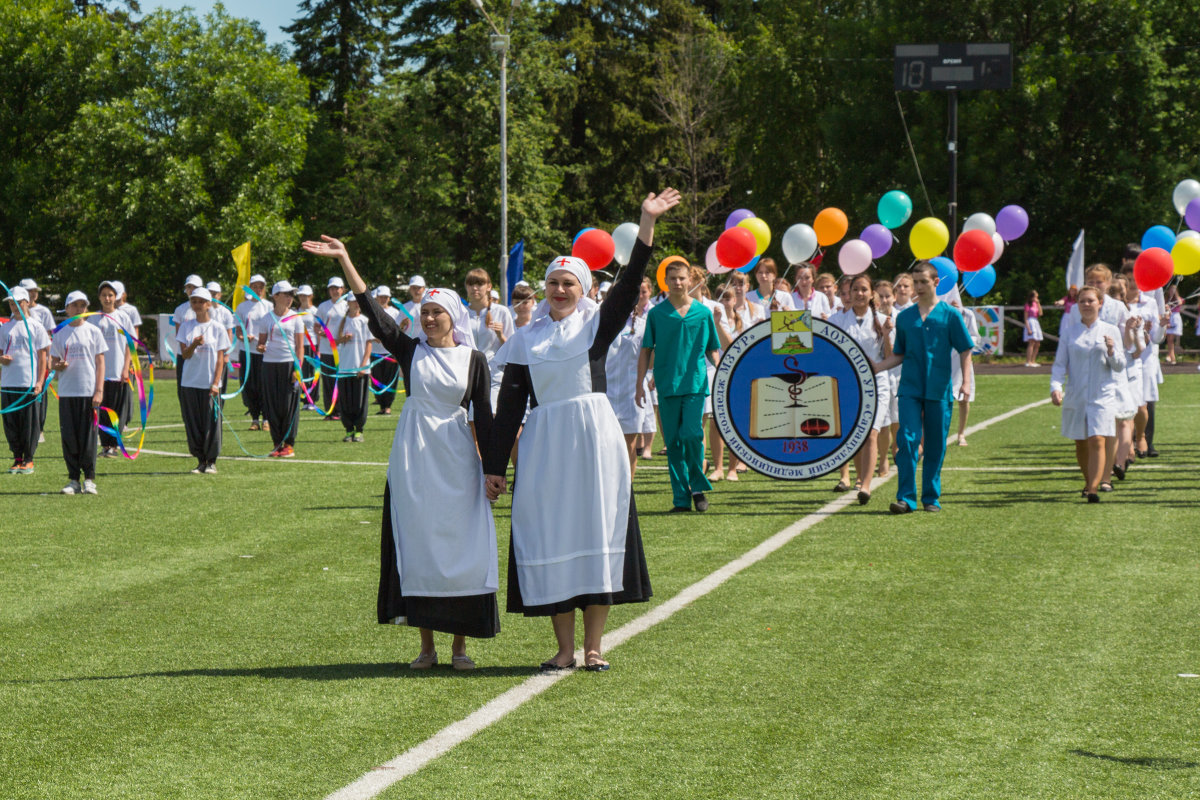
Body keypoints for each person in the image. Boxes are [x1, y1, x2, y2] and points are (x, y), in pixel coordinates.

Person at [485, 187, 679, 672]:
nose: (559, 290)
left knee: (598, 530)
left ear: (585, 288)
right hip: (546, 442)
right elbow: (509, 410)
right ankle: (564, 648)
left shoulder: (597, 324)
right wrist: (493, 468)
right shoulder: (524, 340)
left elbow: (632, 279)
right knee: (552, 535)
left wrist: (646, 222)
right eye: (552, 283)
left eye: (568, 283)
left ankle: (594, 646)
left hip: (594, 438)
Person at [302, 236, 498, 670]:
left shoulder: (474, 358)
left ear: (453, 317)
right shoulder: (411, 351)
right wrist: (345, 258)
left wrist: (494, 470)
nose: (428, 318)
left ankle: (459, 647)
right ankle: (427, 646)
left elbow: (483, 416)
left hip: (458, 458)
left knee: (461, 546)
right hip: (414, 461)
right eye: (424, 312)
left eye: (436, 312)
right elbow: (372, 311)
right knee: (420, 545)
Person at [873, 262, 974, 514]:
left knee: (936, 444)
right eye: (915, 282)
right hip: (910, 389)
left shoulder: (951, 315)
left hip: (940, 390)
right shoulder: (905, 317)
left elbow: (965, 349)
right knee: (906, 440)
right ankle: (906, 498)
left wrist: (966, 381)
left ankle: (931, 496)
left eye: (923, 282)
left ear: (936, 282)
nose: (918, 287)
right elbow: (899, 354)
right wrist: (877, 367)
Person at [637, 257, 721, 513]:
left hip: (695, 383)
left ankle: (697, 486)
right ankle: (681, 499)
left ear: (690, 280)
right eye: (672, 278)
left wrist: (724, 375)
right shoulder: (657, 314)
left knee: (693, 435)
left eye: (682, 278)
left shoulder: (703, 313)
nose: (677, 282)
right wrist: (639, 383)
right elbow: (646, 350)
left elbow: (713, 350)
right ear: (666, 282)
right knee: (672, 442)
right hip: (666, 384)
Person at [1050, 286, 1126, 502]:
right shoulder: (1070, 332)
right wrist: (1056, 387)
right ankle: (1088, 481)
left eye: (1091, 301)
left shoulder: (1111, 331)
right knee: (1081, 442)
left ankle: (1093, 488)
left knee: (1098, 439)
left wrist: (1111, 351)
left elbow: (1120, 366)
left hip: (1102, 394)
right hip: (1076, 394)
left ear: (1100, 303)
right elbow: (1059, 364)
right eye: (1082, 301)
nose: (1086, 305)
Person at [830, 275, 893, 504]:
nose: (859, 293)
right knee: (856, 435)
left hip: (877, 382)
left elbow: (890, 356)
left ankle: (866, 485)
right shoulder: (836, 319)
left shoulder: (885, 319)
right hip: (848, 384)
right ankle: (859, 478)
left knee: (871, 432)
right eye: (854, 289)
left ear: (871, 293)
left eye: (863, 289)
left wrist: (887, 335)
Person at [49, 291, 109, 495]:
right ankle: (73, 479)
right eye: (74, 305)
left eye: (82, 306)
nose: (79, 309)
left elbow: (101, 363)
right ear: (66, 309)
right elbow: (53, 362)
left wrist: (99, 391)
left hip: (88, 392)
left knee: (89, 437)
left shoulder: (93, 331)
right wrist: (59, 365)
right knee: (70, 436)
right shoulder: (60, 334)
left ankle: (89, 479)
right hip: (67, 393)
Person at [710, 271, 761, 482]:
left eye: (728, 297)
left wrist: (718, 323)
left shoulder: (745, 321)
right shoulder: (713, 318)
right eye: (720, 296)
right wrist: (715, 322)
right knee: (715, 420)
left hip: (739, 373)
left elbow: (731, 346)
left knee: (735, 419)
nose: (725, 300)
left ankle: (733, 467)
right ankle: (718, 467)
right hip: (716, 372)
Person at [605, 276, 655, 477]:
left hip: (631, 392)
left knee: (629, 444)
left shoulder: (643, 325)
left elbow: (650, 360)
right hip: (603, 392)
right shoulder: (599, 323)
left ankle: (627, 496)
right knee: (604, 444)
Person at [176, 288, 230, 473]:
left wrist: (216, 383)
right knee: (193, 422)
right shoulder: (186, 326)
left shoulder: (218, 328)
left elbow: (221, 358)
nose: (197, 305)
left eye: (201, 301)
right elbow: (185, 355)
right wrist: (194, 344)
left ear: (208, 304)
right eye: (194, 301)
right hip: (190, 382)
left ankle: (211, 461)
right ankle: (200, 460)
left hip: (209, 384)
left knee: (211, 423)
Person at [1, 286, 49, 474]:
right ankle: (17, 458)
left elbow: (43, 356)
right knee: (11, 423)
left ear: (26, 302)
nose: (14, 307)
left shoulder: (36, 326)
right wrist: (1, 359)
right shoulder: (5, 328)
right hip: (8, 383)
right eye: (12, 303)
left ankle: (29, 459)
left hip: (28, 383)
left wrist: (39, 382)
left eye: (18, 303)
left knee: (29, 423)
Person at [255, 281, 304, 457]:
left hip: (289, 363)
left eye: (291, 294)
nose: (290, 298)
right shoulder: (266, 319)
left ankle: (289, 444)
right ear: (275, 296)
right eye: (286, 294)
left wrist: (297, 369)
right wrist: (260, 347)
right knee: (272, 404)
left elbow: (300, 347)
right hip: (269, 365)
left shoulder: (296, 318)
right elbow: (261, 343)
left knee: (289, 405)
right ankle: (277, 443)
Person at [465, 268, 515, 425]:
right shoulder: (462, 314)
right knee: (471, 421)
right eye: (471, 284)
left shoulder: (501, 312)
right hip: (468, 373)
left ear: (489, 286)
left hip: (494, 373)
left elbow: (512, 348)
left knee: (492, 416)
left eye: (479, 283)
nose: (475, 288)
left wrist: (501, 335)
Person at [91, 281, 132, 458]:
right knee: (102, 409)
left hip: (117, 371)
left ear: (116, 297)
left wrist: (126, 368)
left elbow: (130, 345)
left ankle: (114, 445)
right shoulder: (93, 318)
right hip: (98, 373)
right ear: (99, 298)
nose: (107, 298)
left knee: (116, 410)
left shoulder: (123, 317)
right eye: (104, 295)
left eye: (110, 295)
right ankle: (105, 444)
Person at [335, 294, 375, 441]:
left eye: (358, 302)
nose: (356, 304)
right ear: (348, 303)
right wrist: (343, 339)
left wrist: (363, 365)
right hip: (345, 367)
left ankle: (359, 430)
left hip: (360, 368)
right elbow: (336, 341)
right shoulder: (343, 321)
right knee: (346, 401)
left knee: (359, 401)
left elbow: (369, 343)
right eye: (353, 301)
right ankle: (348, 429)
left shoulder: (365, 321)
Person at [20, 279, 56, 442]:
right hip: (24, 359)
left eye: (35, 290)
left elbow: (50, 335)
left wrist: (50, 358)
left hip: (41, 356)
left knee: (41, 391)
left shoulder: (43, 311)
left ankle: (39, 428)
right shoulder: (18, 312)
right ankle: (25, 426)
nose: (33, 293)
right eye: (29, 290)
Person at [235, 274, 270, 430]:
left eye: (260, 287)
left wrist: (265, 344)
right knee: (250, 386)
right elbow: (238, 331)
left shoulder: (269, 306)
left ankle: (267, 419)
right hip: (247, 352)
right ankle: (255, 419)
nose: (258, 289)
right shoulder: (242, 307)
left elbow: (275, 329)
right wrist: (244, 337)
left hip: (265, 352)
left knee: (265, 385)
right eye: (255, 286)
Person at [872, 280, 897, 478]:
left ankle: (891, 453)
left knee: (893, 419)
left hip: (894, 374)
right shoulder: (875, 320)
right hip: (879, 374)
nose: (884, 299)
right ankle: (882, 457)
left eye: (887, 295)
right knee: (881, 422)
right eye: (879, 296)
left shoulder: (900, 318)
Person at [317, 276, 347, 421]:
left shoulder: (347, 306)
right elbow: (317, 325)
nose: (335, 291)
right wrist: (320, 332)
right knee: (328, 381)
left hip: (342, 350)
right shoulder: (323, 306)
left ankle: (341, 411)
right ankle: (330, 411)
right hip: (326, 349)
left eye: (337, 288)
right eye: (332, 288)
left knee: (340, 381)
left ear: (343, 290)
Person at [369, 286, 400, 415]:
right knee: (377, 380)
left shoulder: (395, 312)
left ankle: (388, 405)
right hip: (375, 351)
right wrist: (373, 338)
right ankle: (381, 405)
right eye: (381, 297)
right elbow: (366, 329)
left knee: (390, 380)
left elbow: (398, 331)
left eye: (385, 297)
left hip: (390, 352)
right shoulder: (371, 312)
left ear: (389, 298)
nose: (383, 299)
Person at [295, 285, 321, 410]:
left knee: (312, 372)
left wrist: (319, 349)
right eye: (301, 295)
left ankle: (312, 400)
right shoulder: (295, 312)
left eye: (305, 295)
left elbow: (319, 331)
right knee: (302, 373)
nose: (303, 298)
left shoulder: (316, 311)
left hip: (312, 345)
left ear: (311, 296)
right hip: (299, 346)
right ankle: (304, 399)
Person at [1024, 290, 1044, 366]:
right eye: (1035, 297)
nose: (1036, 298)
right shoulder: (1027, 305)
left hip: (1036, 322)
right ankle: (1028, 361)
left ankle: (1033, 361)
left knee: (1037, 343)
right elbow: (1025, 318)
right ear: (1031, 297)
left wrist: (1038, 303)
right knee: (1031, 342)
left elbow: (1041, 313)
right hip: (1030, 322)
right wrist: (1028, 328)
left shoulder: (1036, 304)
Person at [1164, 284, 1182, 364]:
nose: (1172, 291)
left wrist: (1175, 294)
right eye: (1171, 290)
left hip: (1175, 318)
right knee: (1169, 340)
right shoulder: (1166, 299)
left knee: (1171, 339)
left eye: (1173, 290)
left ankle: (1171, 356)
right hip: (1168, 316)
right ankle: (1171, 357)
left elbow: (1180, 302)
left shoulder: (1178, 298)